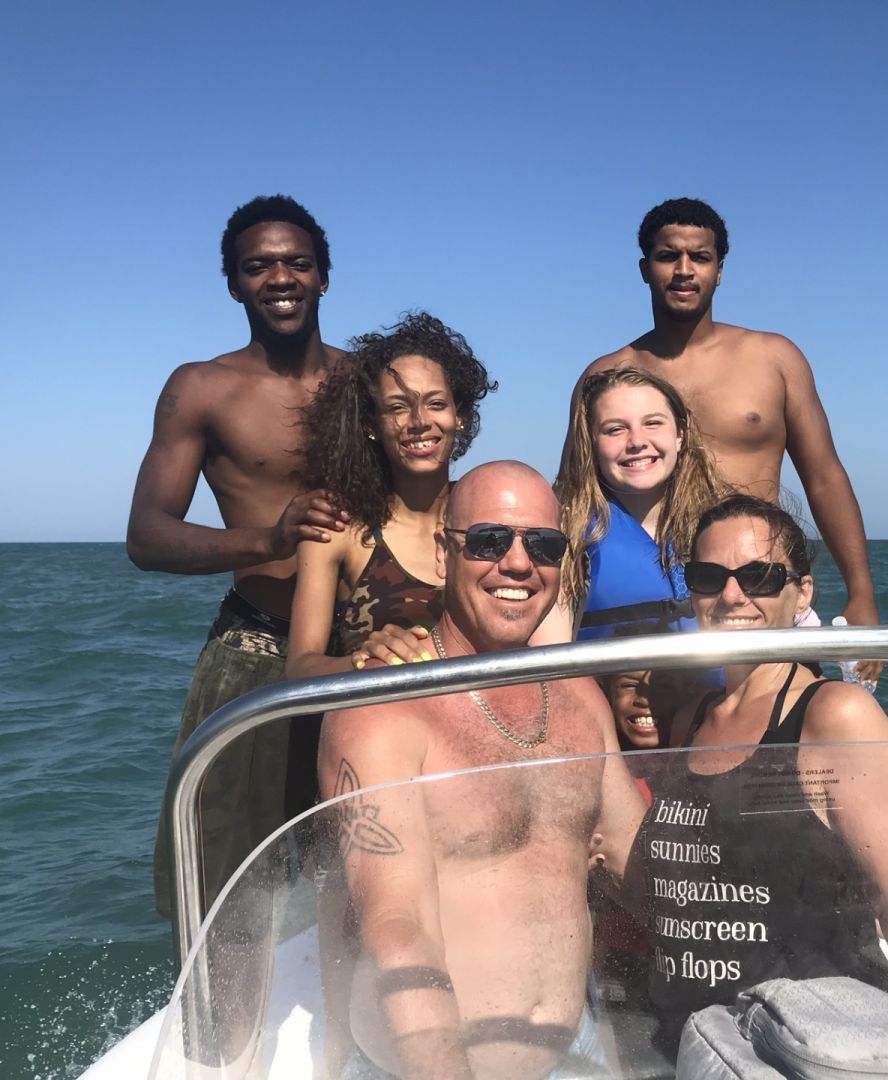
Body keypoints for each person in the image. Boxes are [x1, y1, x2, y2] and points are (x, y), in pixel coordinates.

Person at [317, 461, 649, 1079]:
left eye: (543, 545)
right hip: (420, 1067)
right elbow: (398, 926)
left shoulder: (579, 695)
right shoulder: (380, 707)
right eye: (491, 541)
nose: (519, 564)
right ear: (445, 554)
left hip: (573, 1055)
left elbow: (642, 862)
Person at [601, 494, 888, 1065]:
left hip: (798, 1055)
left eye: (760, 577)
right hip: (689, 1051)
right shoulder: (691, 718)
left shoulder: (833, 717)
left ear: (803, 594)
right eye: (709, 576)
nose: (733, 595)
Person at [127, 194, 349, 917]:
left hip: (364, 651)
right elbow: (148, 536)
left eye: (296, 263)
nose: (279, 278)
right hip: (255, 651)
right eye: (259, 266)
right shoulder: (202, 387)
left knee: (368, 865)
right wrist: (267, 539)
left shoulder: (369, 383)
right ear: (233, 283)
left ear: (324, 275)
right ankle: (223, 1030)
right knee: (227, 885)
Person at [568, 198, 882, 682]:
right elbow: (573, 496)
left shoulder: (774, 358)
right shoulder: (607, 375)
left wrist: (861, 592)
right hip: (659, 602)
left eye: (701, 257)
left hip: (761, 587)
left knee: (787, 732)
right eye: (669, 256)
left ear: (720, 271)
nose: (684, 270)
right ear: (645, 269)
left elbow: (823, 476)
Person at [285, 312, 496, 680]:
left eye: (436, 403)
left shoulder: (489, 516)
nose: (419, 421)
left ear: (459, 416)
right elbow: (300, 669)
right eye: (398, 407)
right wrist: (364, 661)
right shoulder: (338, 528)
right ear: (371, 424)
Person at [557, 366, 728, 642]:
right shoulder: (564, 539)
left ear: (680, 435)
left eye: (653, 423)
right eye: (615, 429)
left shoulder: (726, 526)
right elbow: (553, 668)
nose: (637, 441)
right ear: (591, 443)